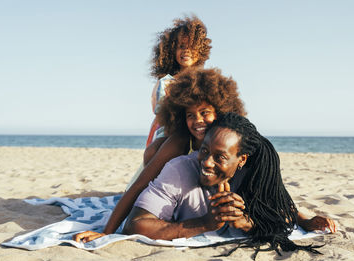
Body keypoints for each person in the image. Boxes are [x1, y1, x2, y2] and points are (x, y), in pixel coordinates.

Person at [122, 113, 336, 257]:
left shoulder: (253, 173)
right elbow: (135, 224)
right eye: (204, 150)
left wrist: (246, 223)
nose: (206, 162)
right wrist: (205, 223)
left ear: (241, 159)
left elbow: (278, 207)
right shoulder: (178, 170)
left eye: (220, 157)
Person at [74, 68, 246, 243]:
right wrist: (107, 232)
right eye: (190, 115)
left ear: (220, 111)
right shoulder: (180, 142)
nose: (198, 121)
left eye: (205, 112)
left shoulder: (232, 143)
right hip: (157, 197)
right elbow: (140, 185)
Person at [146, 14, 212, 147]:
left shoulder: (207, 81)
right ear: (172, 51)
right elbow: (161, 117)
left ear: (200, 51)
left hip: (200, 132)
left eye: (191, 46)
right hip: (171, 135)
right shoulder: (166, 83)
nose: (186, 50)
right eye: (181, 46)